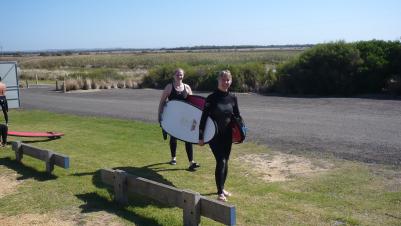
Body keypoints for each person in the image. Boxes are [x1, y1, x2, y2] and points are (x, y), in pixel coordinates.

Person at [198, 70, 242, 202]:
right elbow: (204, 118)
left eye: (228, 80)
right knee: (221, 160)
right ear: (218, 80)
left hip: (227, 135)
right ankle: (219, 193)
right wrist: (201, 137)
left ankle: (222, 188)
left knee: (225, 161)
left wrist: (241, 131)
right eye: (223, 80)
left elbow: (237, 116)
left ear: (231, 81)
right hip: (214, 136)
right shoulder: (211, 98)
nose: (225, 82)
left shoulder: (233, 97)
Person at [158, 68, 200, 171]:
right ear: (173, 76)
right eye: (177, 74)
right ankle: (173, 158)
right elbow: (162, 102)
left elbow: (193, 104)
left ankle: (191, 162)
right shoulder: (169, 87)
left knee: (188, 139)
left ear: (183, 76)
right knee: (173, 137)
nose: (179, 76)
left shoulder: (187, 87)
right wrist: (160, 116)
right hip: (173, 118)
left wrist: (187, 96)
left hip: (185, 118)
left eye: (181, 74)